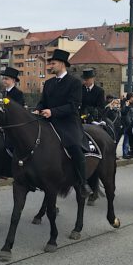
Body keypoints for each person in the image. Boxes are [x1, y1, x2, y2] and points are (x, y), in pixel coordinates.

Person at [34, 49, 92, 196]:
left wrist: (53, 111)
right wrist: (37, 109)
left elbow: (74, 105)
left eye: (53, 63)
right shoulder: (48, 83)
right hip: (49, 121)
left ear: (62, 64)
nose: (50, 66)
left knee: (74, 146)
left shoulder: (74, 83)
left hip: (68, 122)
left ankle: (83, 182)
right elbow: (42, 102)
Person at [120, 93, 133, 158]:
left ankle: (129, 152)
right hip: (128, 125)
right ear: (130, 97)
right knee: (126, 139)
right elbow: (124, 112)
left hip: (131, 125)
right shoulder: (126, 103)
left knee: (129, 140)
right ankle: (125, 153)